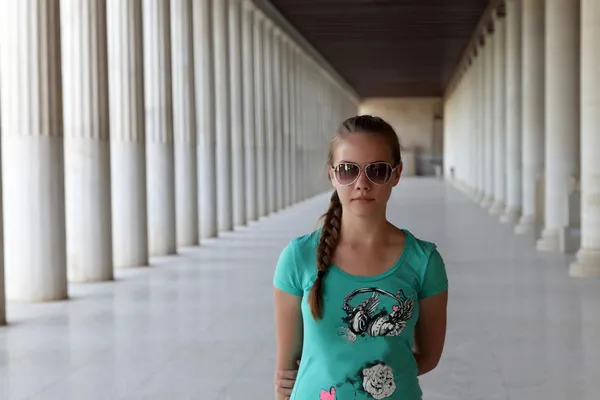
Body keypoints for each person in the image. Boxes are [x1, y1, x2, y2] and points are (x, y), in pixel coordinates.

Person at [272, 115, 449, 400]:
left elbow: (428, 355)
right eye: (347, 170)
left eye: (377, 171)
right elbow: (286, 375)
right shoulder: (298, 257)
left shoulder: (424, 261)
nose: (362, 183)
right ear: (332, 174)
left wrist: (377, 372)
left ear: (396, 173)